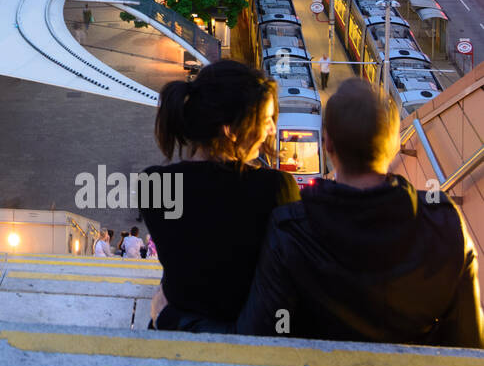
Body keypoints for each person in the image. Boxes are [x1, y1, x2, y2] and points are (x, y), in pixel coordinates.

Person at [237, 79, 484, 348]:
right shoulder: (446, 225)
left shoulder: (289, 231)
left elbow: (260, 337)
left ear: (328, 144)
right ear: (392, 146)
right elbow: (469, 342)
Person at [141, 59, 301, 333]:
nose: (272, 130)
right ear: (230, 129)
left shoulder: (154, 184)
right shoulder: (277, 189)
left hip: (173, 336)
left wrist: (167, 315)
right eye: (265, 120)